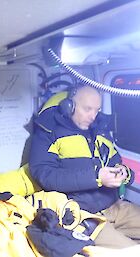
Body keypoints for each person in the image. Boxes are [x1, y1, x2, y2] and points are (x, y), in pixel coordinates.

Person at [29, 85, 140, 248]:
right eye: (87, 109)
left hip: (114, 205)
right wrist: (96, 177)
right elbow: (45, 175)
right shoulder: (49, 132)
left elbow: (116, 161)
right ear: (70, 106)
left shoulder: (100, 131)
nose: (93, 116)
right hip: (82, 214)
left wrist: (124, 174)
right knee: (132, 252)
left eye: (97, 110)